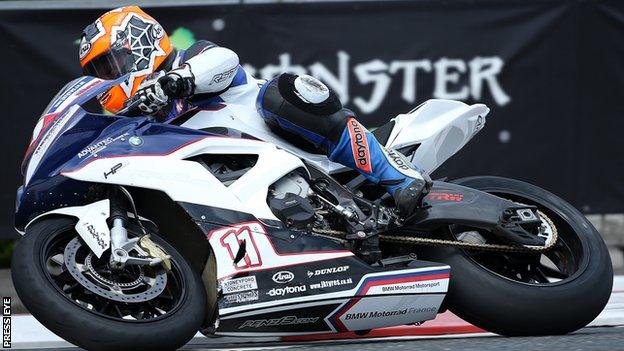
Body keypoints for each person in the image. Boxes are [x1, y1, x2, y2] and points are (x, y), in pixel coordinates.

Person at [78, 6, 431, 218]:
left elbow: (225, 60)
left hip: (298, 147)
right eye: (102, 74)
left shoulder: (192, 59)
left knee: (282, 93)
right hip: (256, 189)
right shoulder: (150, 118)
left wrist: (177, 80)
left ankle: (396, 174)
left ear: (140, 42)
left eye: (111, 66)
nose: (110, 77)